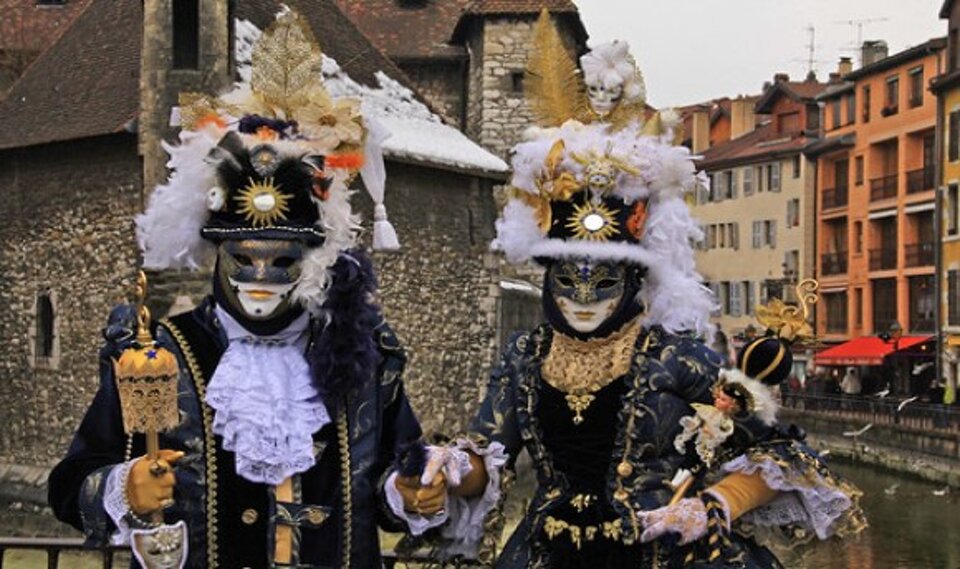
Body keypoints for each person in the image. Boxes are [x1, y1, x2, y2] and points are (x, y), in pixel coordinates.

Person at [383, 20, 865, 568]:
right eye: (567, 279)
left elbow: (784, 454)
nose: (583, 296)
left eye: (605, 279)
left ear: (635, 277)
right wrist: (446, 471)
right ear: (546, 277)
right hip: (548, 553)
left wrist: (714, 504)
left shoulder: (673, 356)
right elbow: (488, 454)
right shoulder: (526, 357)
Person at [47, 11, 441, 568]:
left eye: (282, 259)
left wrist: (412, 490)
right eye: (242, 259)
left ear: (315, 256)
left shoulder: (361, 354)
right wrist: (121, 486)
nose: (260, 277)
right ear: (216, 254)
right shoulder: (156, 355)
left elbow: (389, 485)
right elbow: (71, 483)